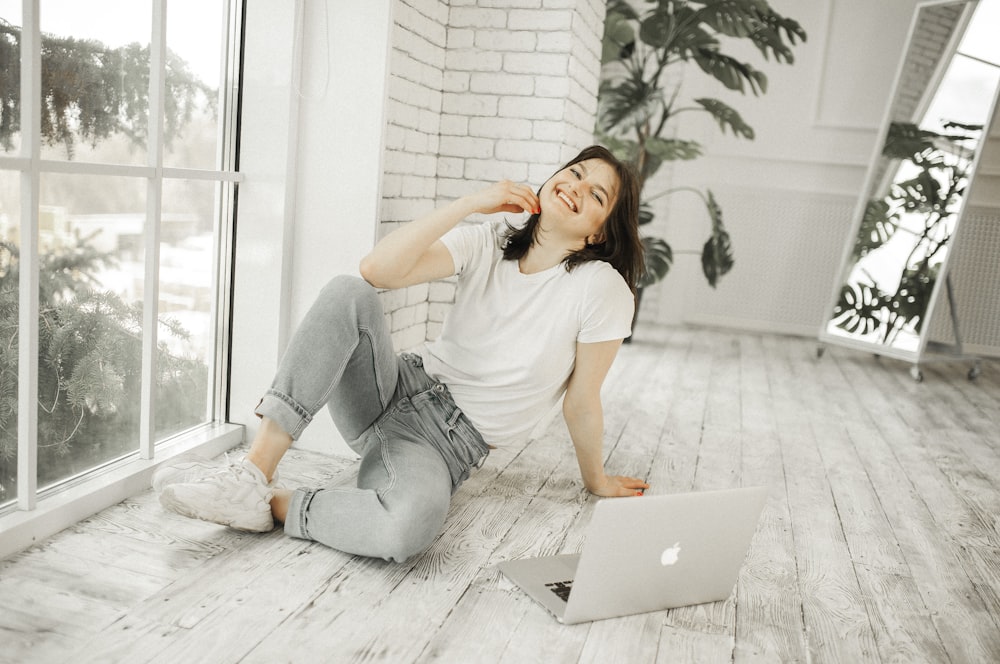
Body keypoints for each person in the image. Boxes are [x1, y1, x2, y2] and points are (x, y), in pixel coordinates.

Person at [157, 144, 650, 563]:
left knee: (405, 531)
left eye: (596, 195)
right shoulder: (491, 240)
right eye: (576, 172)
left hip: (444, 446)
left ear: (599, 233)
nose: (576, 187)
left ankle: (270, 504)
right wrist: (471, 203)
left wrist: (596, 480)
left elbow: (581, 401)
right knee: (349, 291)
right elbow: (377, 270)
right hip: (395, 386)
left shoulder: (601, 289)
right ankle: (253, 471)